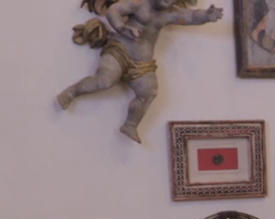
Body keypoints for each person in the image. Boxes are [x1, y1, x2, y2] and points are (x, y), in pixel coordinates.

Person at [58, 0, 224, 143]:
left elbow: (190, 16)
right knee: (104, 81)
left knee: (149, 92)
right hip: (119, 51)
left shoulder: (168, 14)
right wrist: (122, 28)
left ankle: (130, 125)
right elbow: (113, 11)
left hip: (142, 63)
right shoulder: (139, 4)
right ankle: (71, 92)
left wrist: (206, 16)